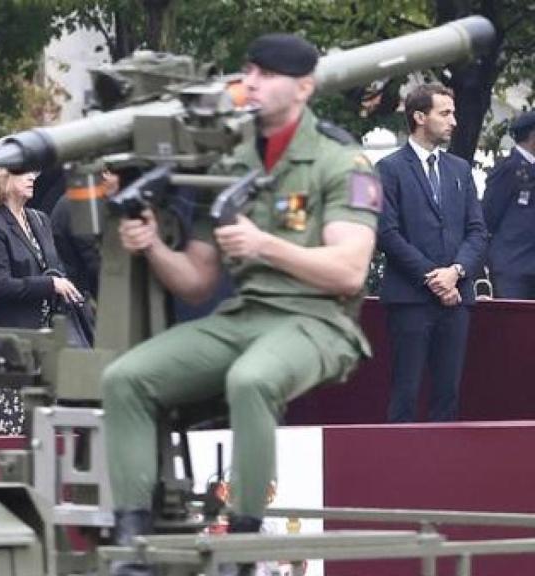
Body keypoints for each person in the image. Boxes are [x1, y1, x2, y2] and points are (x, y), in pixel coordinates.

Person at [100, 33, 380, 566]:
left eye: (266, 74)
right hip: (244, 317)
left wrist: (264, 244)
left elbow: (348, 271)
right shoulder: (230, 162)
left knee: (251, 380)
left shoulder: (340, 162)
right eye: (247, 71)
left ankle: (244, 543)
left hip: (317, 321)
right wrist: (153, 244)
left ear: (303, 87)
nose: (250, 82)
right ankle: (132, 543)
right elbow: (198, 281)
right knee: (125, 378)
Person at [377, 83, 487, 423]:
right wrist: (432, 277)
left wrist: (456, 272)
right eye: (445, 113)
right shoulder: (387, 169)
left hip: (456, 300)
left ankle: (444, 472)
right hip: (410, 299)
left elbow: (478, 231)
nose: (454, 121)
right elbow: (386, 233)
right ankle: (398, 467)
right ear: (419, 117)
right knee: (405, 392)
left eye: (453, 113)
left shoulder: (459, 169)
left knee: (448, 394)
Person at [0, 167, 82, 435]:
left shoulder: (39, 218)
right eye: (24, 173)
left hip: (42, 343)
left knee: (39, 433)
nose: (33, 177)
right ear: (2, 178)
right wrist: (50, 284)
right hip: (5, 346)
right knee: (3, 434)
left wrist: (58, 279)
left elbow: (56, 266)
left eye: (34, 172)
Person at [483, 111, 535, 299]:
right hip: (514, 265)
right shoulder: (509, 168)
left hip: (530, 262)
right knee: (515, 324)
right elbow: (489, 215)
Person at [50, 168, 119, 300]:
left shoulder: (88, 200)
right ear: (105, 174)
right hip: (81, 294)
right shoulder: (82, 205)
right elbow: (95, 262)